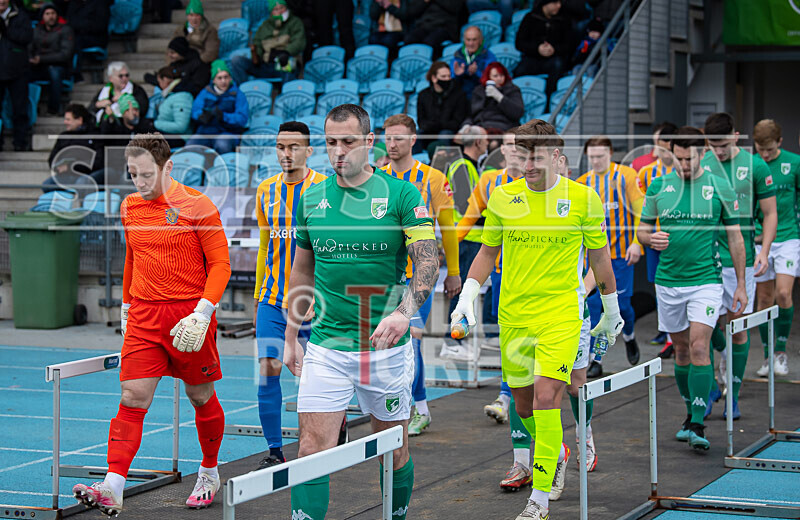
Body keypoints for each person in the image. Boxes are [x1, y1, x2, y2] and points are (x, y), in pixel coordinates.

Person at [451, 119, 622, 519]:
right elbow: (487, 254)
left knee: (548, 401)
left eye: (537, 156)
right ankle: (555, 450)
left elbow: (600, 259)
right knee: (524, 407)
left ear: (558, 158)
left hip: (560, 317)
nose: (528, 163)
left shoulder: (583, 199)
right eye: (522, 154)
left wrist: (610, 312)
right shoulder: (502, 196)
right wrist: (467, 299)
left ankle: (538, 501)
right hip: (514, 319)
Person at [283, 104, 439, 520]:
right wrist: (290, 337)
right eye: (331, 142)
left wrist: (405, 312)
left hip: (385, 348)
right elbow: (302, 269)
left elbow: (428, 261)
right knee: (310, 449)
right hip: (326, 347)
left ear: (370, 143)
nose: (339, 151)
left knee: (393, 449)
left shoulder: (402, 194)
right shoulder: (311, 196)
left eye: (348, 141)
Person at [71, 132, 231, 514]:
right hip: (144, 316)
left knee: (200, 396)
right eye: (133, 175)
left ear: (168, 167)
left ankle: (209, 472)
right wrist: (126, 306)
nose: (140, 184)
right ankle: (113, 485)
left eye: (146, 175)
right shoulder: (130, 206)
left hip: (189, 319)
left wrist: (203, 312)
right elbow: (132, 258)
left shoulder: (198, 206)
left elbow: (220, 265)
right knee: (132, 397)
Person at [637, 125, 746, 450]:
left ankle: (698, 422)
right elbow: (642, 230)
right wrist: (649, 238)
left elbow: (735, 238)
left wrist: (740, 285)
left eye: (689, 158)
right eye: (678, 158)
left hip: (707, 282)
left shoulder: (719, 186)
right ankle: (689, 414)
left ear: (702, 154)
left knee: (700, 347)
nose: (683, 165)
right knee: (681, 351)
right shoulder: (659, 185)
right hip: (669, 282)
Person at [380, 114, 460, 437]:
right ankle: (417, 407)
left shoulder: (434, 178)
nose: (392, 144)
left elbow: (450, 229)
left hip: (420, 277)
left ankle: (414, 408)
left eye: (399, 138)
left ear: (414, 140)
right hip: (385, 276)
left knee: (409, 339)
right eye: (387, 138)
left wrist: (452, 272)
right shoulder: (376, 178)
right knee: (390, 343)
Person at [253, 121, 327, 469]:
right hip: (272, 299)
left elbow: (332, 250)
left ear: (309, 151)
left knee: (319, 375)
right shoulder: (265, 190)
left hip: (316, 302)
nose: (287, 153)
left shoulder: (325, 189)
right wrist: (258, 293)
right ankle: (274, 450)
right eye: (281, 146)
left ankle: (325, 440)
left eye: (294, 146)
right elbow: (266, 245)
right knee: (268, 368)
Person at [701, 112, 776, 420]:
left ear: (736, 136)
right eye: (711, 144)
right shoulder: (701, 165)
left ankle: (732, 394)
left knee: (737, 329)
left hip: (740, 258)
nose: (718, 151)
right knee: (703, 330)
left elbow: (769, 213)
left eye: (722, 144)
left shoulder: (754, 165)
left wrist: (764, 250)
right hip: (705, 258)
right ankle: (705, 393)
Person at [577, 136, 643, 377]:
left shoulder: (625, 176)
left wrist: (637, 242)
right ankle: (596, 358)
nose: (595, 161)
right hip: (593, 258)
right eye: (591, 157)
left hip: (620, 255)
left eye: (600, 156)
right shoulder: (584, 183)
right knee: (595, 305)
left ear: (610, 153)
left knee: (622, 307)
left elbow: (640, 211)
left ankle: (630, 336)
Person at [752, 119, 799, 377]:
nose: (765, 154)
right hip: (760, 239)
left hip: (789, 236)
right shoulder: (751, 165)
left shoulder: (794, 163)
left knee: (783, 294)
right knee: (764, 299)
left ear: (779, 142)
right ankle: (768, 356)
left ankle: (781, 352)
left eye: (769, 149)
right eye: (761, 149)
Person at [441, 125, 488, 361]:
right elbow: (466, 206)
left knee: (464, 293)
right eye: (486, 140)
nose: (488, 143)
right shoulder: (463, 166)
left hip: (469, 238)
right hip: (466, 238)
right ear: (477, 143)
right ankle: (452, 341)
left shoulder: (467, 165)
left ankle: (456, 339)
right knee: (461, 292)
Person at [636, 121, 678, 352]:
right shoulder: (646, 172)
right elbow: (641, 206)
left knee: (676, 282)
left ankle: (674, 335)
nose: (656, 151)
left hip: (677, 238)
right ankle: (666, 330)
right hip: (654, 237)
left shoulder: (683, 171)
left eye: (660, 145)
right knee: (659, 283)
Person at [230, 0, 306, 85]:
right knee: (237, 61)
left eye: (282, 8)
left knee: (289, 67)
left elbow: (299, 42)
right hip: (266, 65)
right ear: (271, 12)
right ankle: (243, 92)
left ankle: (285, 96)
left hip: (285, 63)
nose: (280, 11)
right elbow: (257, 43)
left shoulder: (295, 22)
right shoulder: (265, 26)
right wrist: (257, 55)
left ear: (286, 8)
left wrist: (286, 52)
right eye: (276, 9)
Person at [186, 60, 249, 155]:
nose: (223, 81)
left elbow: (242, 118)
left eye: (226, 77)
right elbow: (195, 110)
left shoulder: (238, 94)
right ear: (213, 80)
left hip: (227, 132)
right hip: (205, 132)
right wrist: (201, 116)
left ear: (230, 78)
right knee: (191, 145)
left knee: (222, 144)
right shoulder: (205, 92)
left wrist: (224, 116)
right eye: (219, 78)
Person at [514, 0, 571, 99]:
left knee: (558, 65)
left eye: (560, 2)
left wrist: (554, 49)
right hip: (532, 57)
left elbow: (569, 45)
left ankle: (549, 102)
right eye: (555, 2)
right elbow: (519, 43)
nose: (559, 6)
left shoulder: (564, 20)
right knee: (519, 71)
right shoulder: (530, 17)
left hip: (553, 59)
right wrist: (537, 48)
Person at [43, 103, 104, 193]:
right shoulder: (63, 136)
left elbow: (98, 161)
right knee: (46, 185)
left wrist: (71, 167)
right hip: (65, 176)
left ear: (79, 120)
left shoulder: (94, 135)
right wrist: (58, 167)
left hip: (87, 174)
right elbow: (52, 158)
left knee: (82, 183)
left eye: (68, 119)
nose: (65, 122)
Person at [29, 3, 74, 115]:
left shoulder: (65, 30)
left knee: (55, 73)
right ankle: (31, 109)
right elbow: (29, 48)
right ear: (43, 16)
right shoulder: (36, 30)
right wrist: (31, 58)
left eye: (53, 13)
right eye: (47, 14)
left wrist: (41, 59)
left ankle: (53, 109)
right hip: (38, 66)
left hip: (59, 66)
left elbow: (65, 54)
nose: (51, 16)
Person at [0, 0, 33, 151]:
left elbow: (26, 37)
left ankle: (20, 142)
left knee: (20, 109)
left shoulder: (21, 17)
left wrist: (5, 29)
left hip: (18, 70)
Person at [417, 61, 468, 155]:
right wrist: (434, 125)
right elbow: (421, 122)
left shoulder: (459, 95)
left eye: (449, 76)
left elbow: (457, 121)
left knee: (444, 135)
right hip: (429, 131)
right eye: (443, 77)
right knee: (415, 136)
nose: (447, 79)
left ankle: (442, 164)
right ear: (434, 78)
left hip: (449, 132)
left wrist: (437, 124)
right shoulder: (423, 95)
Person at [144, 36, 209, 97]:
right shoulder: (174, 64)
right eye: (168, 52)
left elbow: (197, 87)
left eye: (173, 53)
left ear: (181, 52)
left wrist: (172, 86)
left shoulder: (198, 65)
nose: (169, 55)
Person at [468, 61, 524, 132]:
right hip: (481, 125)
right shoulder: (479, 90)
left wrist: (499, 97)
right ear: (488, 77)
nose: (499, 79)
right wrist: (466, 124)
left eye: (501, 75)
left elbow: (517, 113)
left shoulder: (512, 89)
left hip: (504, 126)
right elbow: (472, 113)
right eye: (495, 76)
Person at [451, 26, 498, 100]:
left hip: (482, 99)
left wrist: (477, 73)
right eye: (468, 40)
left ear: (480, 40)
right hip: (461, 99)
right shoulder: (457, 56)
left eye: (474, 40)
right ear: (464, 40)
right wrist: (458, 76)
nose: (471, 43)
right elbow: (451, 83)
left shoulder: (489, 57)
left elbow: (492, 82)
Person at [151, 67, 193, 140]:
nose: (159, 85)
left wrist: (155, 124)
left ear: (165, 79)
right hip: (169, 135)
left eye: (159, 82)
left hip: (181, 138)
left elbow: (181, 126)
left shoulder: (182, 97)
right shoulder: (171, 94)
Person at [173, 0, 219, 64]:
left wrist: (195, 63)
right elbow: (172, 49)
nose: (194, 18)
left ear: (201, 16)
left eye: (197, 15)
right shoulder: (180, 30)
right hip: (183, 61)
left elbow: (211, 52)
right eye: (191, 15)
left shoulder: (210, 30)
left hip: (201, 62)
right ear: (187, 16)